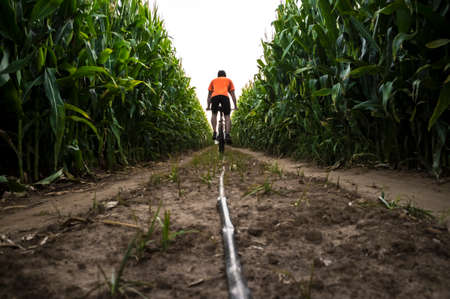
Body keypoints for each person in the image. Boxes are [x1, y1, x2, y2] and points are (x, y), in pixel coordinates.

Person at [206, 70, 237, 144]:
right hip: (225, 97)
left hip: (215, 97)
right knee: (227, 116)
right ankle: (227, 134)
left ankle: (214, 132)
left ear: (218, 75)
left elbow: (209, 96)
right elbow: (233, 95)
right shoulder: (228, 80)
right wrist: (235, 106)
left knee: (214, 114)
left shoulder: (213, 81)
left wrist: (208, 106)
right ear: (225, 75)